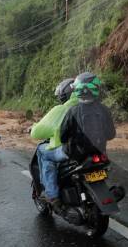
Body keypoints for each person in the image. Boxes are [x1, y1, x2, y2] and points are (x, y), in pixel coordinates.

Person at [38, 72, 115, 212]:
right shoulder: (104, 110)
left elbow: (62, 137)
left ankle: (52, 195)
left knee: (45, 154)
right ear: (96, 89)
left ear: (78, 90)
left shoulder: (72, 111)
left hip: (74, 154)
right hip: (99, 153)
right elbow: (111, 134)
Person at [31, 78, 78, 213]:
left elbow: (37, 132)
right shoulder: (90, 107)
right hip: (92, 150)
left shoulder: (62, 109)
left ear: (64, 95)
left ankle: (51, 194)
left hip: (68, 150)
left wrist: (33, 127)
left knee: (43, 152)